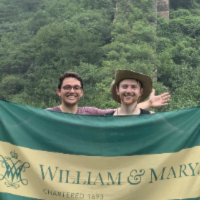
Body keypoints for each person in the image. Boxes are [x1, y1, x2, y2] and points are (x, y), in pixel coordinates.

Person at [47, 71, 170, 115]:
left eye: (76, 88)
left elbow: (121, 112)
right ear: (59, 92)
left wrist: (148, 103)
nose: (72, 91)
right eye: (67, 87)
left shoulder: (90, 113)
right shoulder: (48, 115)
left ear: (81, 92)